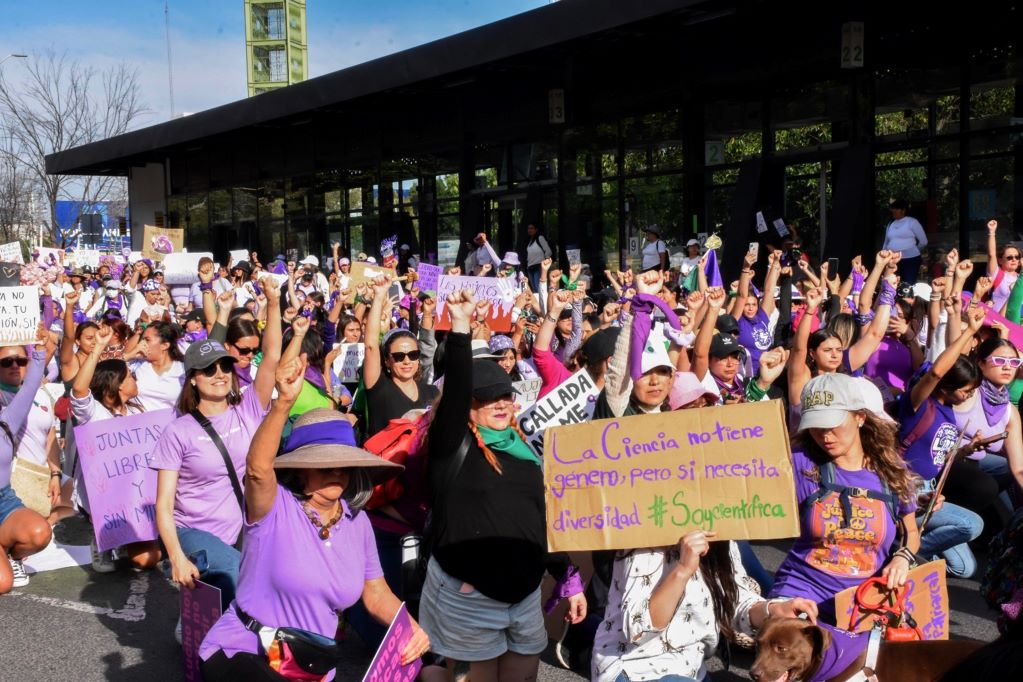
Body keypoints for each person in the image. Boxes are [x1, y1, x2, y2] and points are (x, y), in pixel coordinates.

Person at [199, 361, 429, 680]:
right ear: (301, 469)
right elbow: (256, 470)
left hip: (311, 665)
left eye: (343, 464)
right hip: (246, 651)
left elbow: (376, 594)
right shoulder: (273, 507)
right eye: (323, 463)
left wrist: (412, 629)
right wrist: (283, 403)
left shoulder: (357, 522)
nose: (336, 470)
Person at [419, 289, 586, 681]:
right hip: (471, 594)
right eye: (486, 397)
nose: (499, 403)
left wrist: (567, 575)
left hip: (524, 593)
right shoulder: (450, 445)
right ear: (468, 406)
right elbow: (457, 391)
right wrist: (460, 328)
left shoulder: (526, 449)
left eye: (505, 396)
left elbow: (534, 519)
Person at [151, 286, 280, 628]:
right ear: (193, 379)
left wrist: (275, 301)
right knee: (243, 581)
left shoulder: (249, 408)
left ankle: (202, 612)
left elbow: (271, 358)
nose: (220, 374)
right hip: (192, 532)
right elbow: (163, 505)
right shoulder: (177, 431)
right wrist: (176, 556)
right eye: (208, 369)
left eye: (224, 365)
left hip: (240, 529)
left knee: (243, 595)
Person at [769, 373, 920, 620]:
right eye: (816, 427)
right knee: (792, 645)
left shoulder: (892, 471)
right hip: (800, 591)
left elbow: (911, 533)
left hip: (863, 602)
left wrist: (902, 558)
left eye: (833, 424)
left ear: (859, 417)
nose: (825, 436)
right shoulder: (798, 463)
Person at [592, 534, 818, 682]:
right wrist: (682, 569)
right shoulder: (645, 543)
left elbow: (737, 601)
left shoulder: (722, 540)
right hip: (635, 668)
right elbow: (639, 628)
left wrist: (772, 610)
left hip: (692, 668)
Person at [71, 325, 161, 574]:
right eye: (130, 375)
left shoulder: (136, 412)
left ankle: (123, 538)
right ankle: (100, 541)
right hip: (98, 494)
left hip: (130, 494)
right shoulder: (93, 414)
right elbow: (79, 390)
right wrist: (98, 347)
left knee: (149, 559)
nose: (135, 378)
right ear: (118, 384)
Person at [0, 329, 52, 592]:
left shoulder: (8, 417)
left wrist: (39, 350)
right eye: (6, 362)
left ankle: (10, 551)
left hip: (3, 502)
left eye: (18, 361)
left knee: (40, 532)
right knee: (2, 583)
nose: (13, 366)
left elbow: (31, 384)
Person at [363, 274, 439, 437]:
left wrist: (427, 314)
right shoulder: (379, 389)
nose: (407, 361)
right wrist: (379, 296)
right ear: (387, 360)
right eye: (398, 356)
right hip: (387, 462)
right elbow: (370, 346)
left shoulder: (432, 393)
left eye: (413, 355)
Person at [130, 321, 186, 411]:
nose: (141, 344)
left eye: (147, 340)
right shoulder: (136, 365)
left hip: (172, 423)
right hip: (138, 423)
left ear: (164, 345)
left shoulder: (183, 370)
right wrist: (129, 355)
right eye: (142, 340)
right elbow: (108, 375)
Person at [882, 199, 927, 284]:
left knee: (907, 286)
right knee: (891, 284)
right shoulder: (890, 223)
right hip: (892, 260)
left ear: (903, 210)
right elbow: (886, 242)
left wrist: (913, 250)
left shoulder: (912, 222)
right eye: (893, 208)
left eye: (896, 208)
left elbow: (923, 241)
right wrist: (884, 256)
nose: (893, 211)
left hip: (910, 260)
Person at [985, 219, 1022, 315]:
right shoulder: (997, 274)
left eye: (1017, 257)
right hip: (998, 324)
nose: (1014, 259)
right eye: (1009, 257)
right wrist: (992, 232)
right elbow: (991, 255)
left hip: (1018, 325)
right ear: (1000, 260)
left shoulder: (1021, 278)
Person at [525, 223, 552, 292]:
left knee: (539, 288)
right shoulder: (529, 241)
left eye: (532, 228)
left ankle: (543, 303)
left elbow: (548, 251)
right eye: (528, 228)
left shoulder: (540, 238)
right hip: (530, 267)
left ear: (536, 230)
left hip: (538, 266)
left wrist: (546, 262)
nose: (529, 230)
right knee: (534, 290)